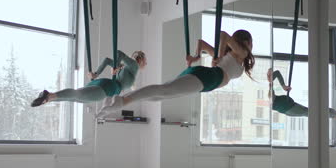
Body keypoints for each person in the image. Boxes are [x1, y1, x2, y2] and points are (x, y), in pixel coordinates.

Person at [97, 29, 254, 117]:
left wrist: (196, 57)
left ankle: (116, 101)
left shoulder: (229, 55)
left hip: (205, 77)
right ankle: (121, 101)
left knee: (161, 94)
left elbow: (201, 43)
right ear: (246, 42)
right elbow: (223, 35)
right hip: (209, 78)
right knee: (163, 91)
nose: (251, 46)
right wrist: (217, 57)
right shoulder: (242, 53)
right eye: (251, 43)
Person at [31, 50, 147, 107]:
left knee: (74, 98)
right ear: (141, 60)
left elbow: (107, 60)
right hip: (108, 88)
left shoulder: (125, 68)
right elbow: (119, 53)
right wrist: (116, 65)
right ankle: (50, 96)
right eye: (145, 62)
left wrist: (96, 73)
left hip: (103, 84)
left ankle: (48, 98)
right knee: (76, 95)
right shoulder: (133, 66)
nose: (145, 65)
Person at [268, 68, 336, 122]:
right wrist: (281, 85)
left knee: (315, 111)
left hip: (290, 107)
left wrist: (283, 86)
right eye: (270, 73)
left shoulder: (270, 84)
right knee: (314, 112)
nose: (271, 74)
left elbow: (277, 73)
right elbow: (275, 75)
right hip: (289, 108)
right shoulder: (270, 93)